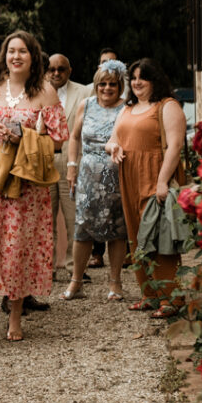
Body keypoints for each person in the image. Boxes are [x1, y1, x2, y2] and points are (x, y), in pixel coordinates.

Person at [0, 30, 68, 342]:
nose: (16, 56)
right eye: (11, 51)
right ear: (4, 56)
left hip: (25, 181)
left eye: (22, 51)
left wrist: (26, 136)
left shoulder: (45, 92)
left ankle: (16, 315)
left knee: (17, 246)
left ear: (33, 56)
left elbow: (59, 136)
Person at [105, 58, 186, 318]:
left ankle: (172, 298)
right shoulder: (127, 109)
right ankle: (149, 294)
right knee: (137, 237)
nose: (137, 82)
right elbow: (112, 140)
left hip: (155, 174)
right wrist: (113, 148)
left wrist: (163, 180)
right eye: (134, 77)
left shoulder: (167, 106)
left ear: (155, 80)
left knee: (160, 237)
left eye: (143, 77)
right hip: (129, 177)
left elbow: (175, 146)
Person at [62, 59, 128, 301]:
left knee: (117, 229)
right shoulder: (86, 104)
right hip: (88, 174)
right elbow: (74, 137)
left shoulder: (126, 108)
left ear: (120, 86)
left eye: (112, 84)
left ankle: (115, 283)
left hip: (117, 176)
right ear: (96, 85)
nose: (107, 89)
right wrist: (71, 166)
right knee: (82, 227)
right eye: (102, 84)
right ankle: (76, 282)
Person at [46, 54, 90, 281]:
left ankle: (76, 269)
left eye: (61, 69)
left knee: (74, 217)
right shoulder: (37, 93)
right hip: (43, 161)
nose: (56, 73)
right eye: (52, 69)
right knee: (45, 218)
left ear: (69, 70)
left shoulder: (84, 92)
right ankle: (47, 269)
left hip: (73, 160)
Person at [88, 47, 120, 268]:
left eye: (112, 62)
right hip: (92, 166)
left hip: (118, 164)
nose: (107, 65)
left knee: (118, 215)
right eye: (104, 61)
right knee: (94, 213)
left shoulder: (126, 102)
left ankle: (124, 255)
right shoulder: (89, 101)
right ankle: (96, 253)